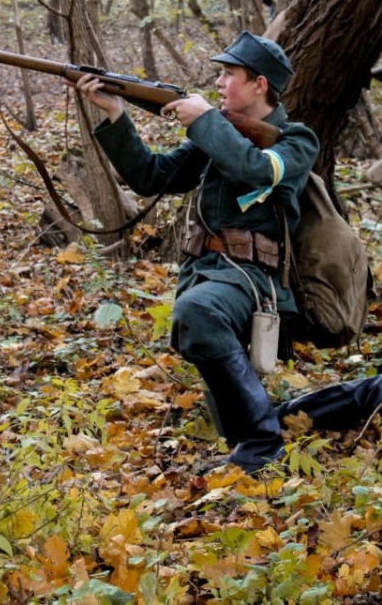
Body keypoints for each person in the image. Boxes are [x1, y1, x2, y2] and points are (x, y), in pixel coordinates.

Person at [74, 32, 318, 472]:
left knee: (197, 313)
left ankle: (264, 443)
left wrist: (205, 120)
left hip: (252, 280)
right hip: (206, 274)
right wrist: (116, 115)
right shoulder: (219, 133)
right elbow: (153, 177)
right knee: (229, 409)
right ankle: (264, 439)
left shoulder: (295, 140)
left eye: (229, 74)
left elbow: (255, 170)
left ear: (260, 85)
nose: (219, 82)